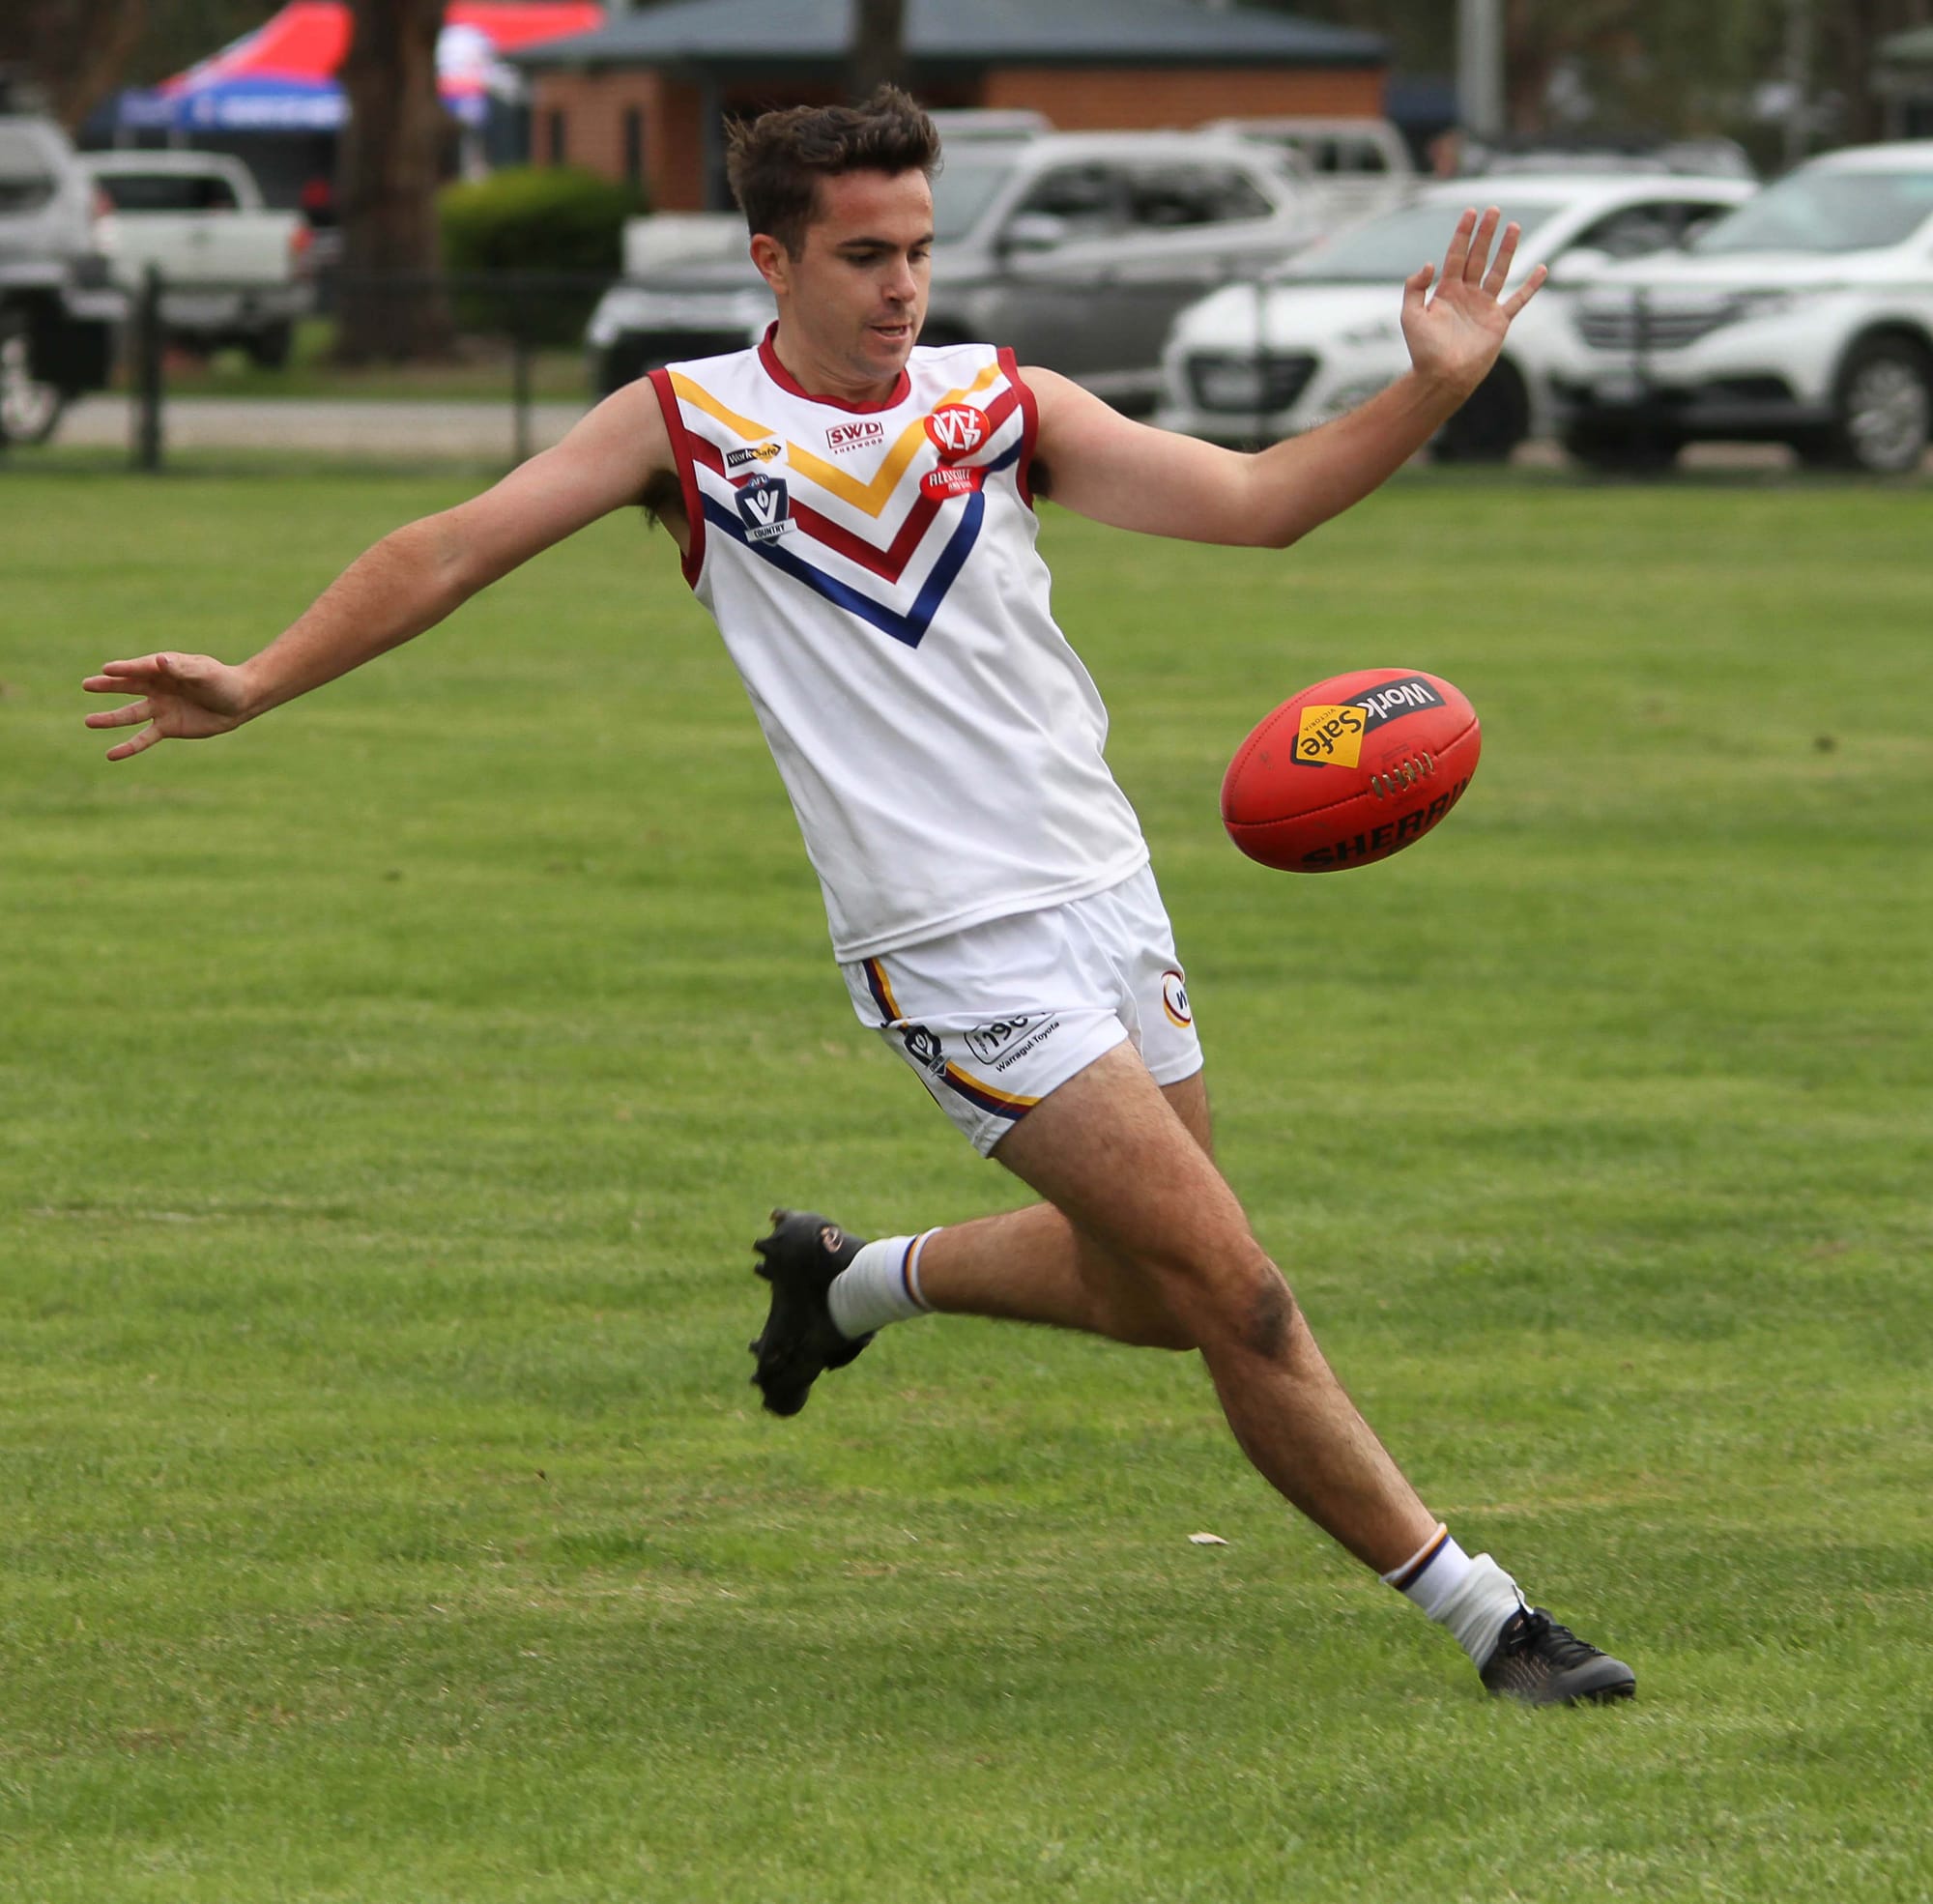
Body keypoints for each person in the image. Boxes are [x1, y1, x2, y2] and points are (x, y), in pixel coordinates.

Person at [84, 89, 1634, 1707]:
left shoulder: (1001, 402)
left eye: (920, 252)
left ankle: (853, 1278)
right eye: (864, 256)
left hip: (1108, 895)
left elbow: (1264, 501)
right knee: (1236, 1291)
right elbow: (453, 549)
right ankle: (1494, 1621)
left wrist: (1431, 390)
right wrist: (259, 678)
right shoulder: (683, 428)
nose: (903, 289)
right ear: (773, 261)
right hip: (944, 951)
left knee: (1148, 1297)